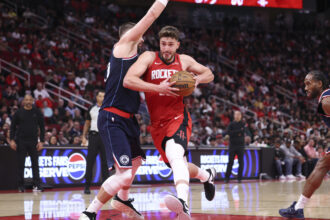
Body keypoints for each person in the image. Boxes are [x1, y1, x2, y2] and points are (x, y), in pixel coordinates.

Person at [79, 1, 169, 220]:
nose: (143, 35)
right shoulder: (124, 44)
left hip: (128, 120)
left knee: (136, 163)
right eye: (138, 32)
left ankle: (123, 199)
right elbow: (151, 15)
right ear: (131, 34)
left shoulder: (136, 59)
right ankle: (89, 212)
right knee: (123, 175)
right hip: (112, 116)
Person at [124, 25, 215, 220]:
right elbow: (129, 79)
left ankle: (183, 203)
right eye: (163, 44)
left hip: (178, 117)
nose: (166, 48)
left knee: (175, 154)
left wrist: (197, 80)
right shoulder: (149, 57)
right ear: (159, 43)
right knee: (177, 164)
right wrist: (158, 88)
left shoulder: (184, 60)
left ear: (177, 45)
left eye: (170, 45)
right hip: (157, 124)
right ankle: (206, 175)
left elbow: (209, 73)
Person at [279, 70, 330, 219]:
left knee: (321, 165)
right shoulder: (324, 99)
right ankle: (298, 208)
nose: (305, 88)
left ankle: (298, 208)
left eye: (309, 83)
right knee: (322, 165)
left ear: (319, 84)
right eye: (304, 85)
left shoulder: (326, 101)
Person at [9, 94, 45, 192]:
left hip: (34, 141)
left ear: (33, 100)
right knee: (21, 164)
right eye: (26, 100)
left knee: (35, 164)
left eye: (30, 100)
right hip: (21, 141)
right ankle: (21, 185)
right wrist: (11, 140)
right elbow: (12, 127)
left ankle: (37, 184)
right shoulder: (19, 112)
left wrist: (41, 141)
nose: (28, 101)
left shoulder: (37, 112)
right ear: (24, 101)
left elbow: (42, 127)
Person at [81, 90, 109, 194]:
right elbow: (87, 123)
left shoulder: (109, 108)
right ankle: (87, 186)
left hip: (105, 136)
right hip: (93, 136)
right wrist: (83, 136)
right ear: (96, 97)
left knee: (105, 163)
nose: (102, 98)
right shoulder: (91, 108)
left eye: (104, 96)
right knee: (90, 162)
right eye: (100, 96)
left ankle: (106, 188)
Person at [224, 111, 245, 183]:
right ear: (234, 115)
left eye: (239, 114)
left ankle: (239, 178)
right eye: (236, 114)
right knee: (230, 162)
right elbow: (228, 133)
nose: (238, 115)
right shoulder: (231, 124)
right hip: (232, 145)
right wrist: (238, 131)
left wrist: (234, 132)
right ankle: (227, 178)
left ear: (241, 116)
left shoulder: (243, 124)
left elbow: (243, 132)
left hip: (241, 145)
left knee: (241, 162)